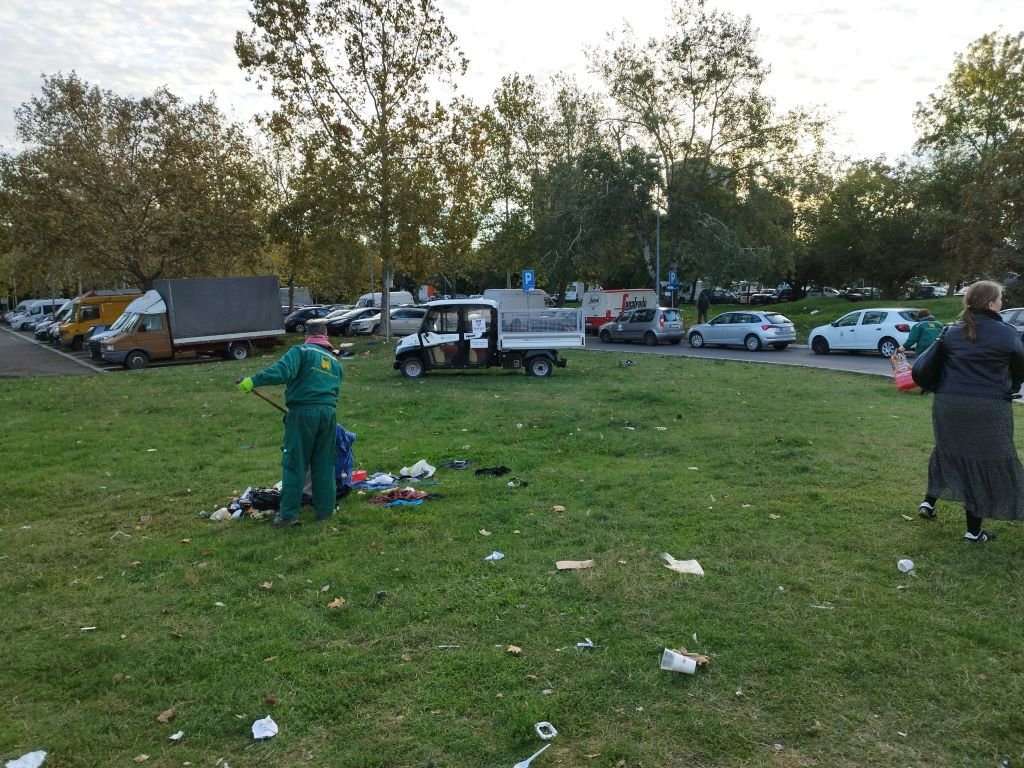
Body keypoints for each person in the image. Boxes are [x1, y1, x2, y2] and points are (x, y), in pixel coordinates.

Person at [915, 280, 1024, 541]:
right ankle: (973, 532)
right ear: (991, 303)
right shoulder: (1007, 333)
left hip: (948, 403)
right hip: (989, 406)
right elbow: (1020, 369)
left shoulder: (951, 331)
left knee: (948, 450)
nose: (1002, 302)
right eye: (1000, 298)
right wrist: (1010, 387)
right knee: (985, 460)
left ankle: (929, 502)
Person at [236, 319, 343, 527]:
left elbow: (281, 371)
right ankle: (325, 512)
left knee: (295, 463)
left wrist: (253, 380)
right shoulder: (336, 363)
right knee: (324, 464)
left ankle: (288, 515)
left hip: (303, 413)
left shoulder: (301, 352)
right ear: (326, 337)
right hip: (329, 415)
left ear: (307, 336)